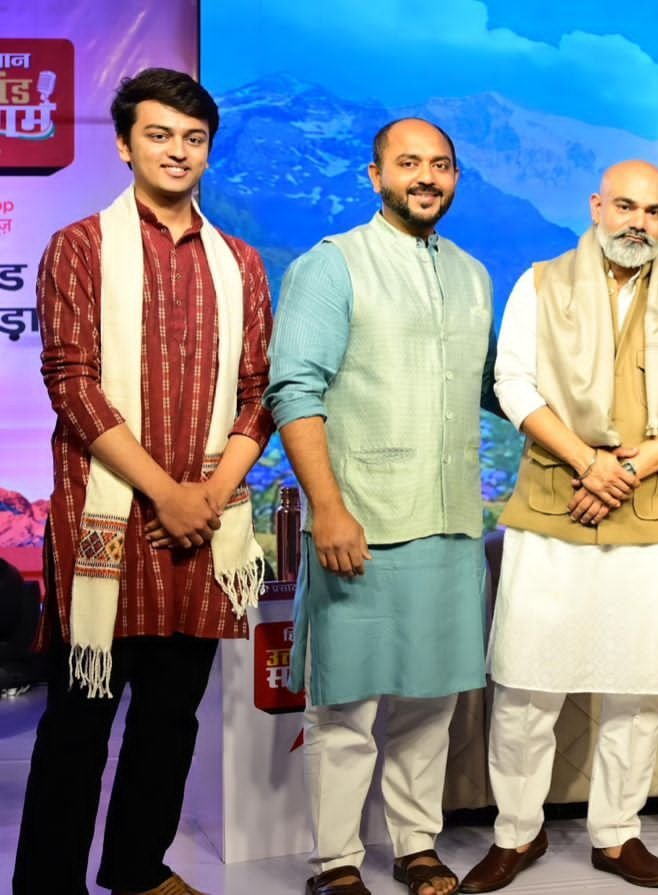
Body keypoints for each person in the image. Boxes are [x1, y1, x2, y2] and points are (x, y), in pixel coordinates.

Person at [14, 68, 273, 895]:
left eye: (193, 138)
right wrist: (168, 491)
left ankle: (135, 870)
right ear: (125, 146)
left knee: (170, 717)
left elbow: (259, 392)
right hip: (109, 524)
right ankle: (48, 883)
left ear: (209, 151)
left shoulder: (241, 263)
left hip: (203, 526)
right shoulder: (80, 247)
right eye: (159, 135)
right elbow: (72, 383)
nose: (177, 151)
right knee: (79, 721)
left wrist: (206, 496)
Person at [458, 160, 658, 892]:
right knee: (526, 684)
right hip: (556, 503)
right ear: (597, 206)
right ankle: (517, 832)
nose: (639, 223)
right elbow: (513, 383)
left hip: (654, 512)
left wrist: (628, 469)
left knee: (639, 687)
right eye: (626, 207)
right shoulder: (540, 283)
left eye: (654, 212)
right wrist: (587, 461)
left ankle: (616, 834)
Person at [267, 118, 491, 895]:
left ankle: (416, 845)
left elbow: (494, 386)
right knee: (347, 703)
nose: (426, 177)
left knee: (432, 698)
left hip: (451, 519)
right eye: (409, 163)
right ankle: (335, 861)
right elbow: (294, 388)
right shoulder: (331, 265)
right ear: (376, 175)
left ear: (455, 178)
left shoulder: (472, 274)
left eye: (441, 164)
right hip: (361, 518)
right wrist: (327, 507)